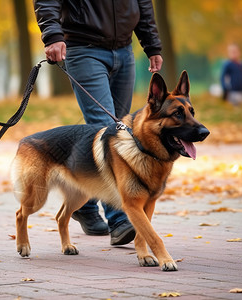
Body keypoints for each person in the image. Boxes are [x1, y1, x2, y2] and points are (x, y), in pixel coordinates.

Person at [33, 0, 163, 246]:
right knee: (107, 129)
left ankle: (84, 197)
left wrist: (152, 44)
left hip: (124, 50)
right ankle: (120, 219)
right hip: (83, 47)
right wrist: (52, 35)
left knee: (122, 131)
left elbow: (143, 4)